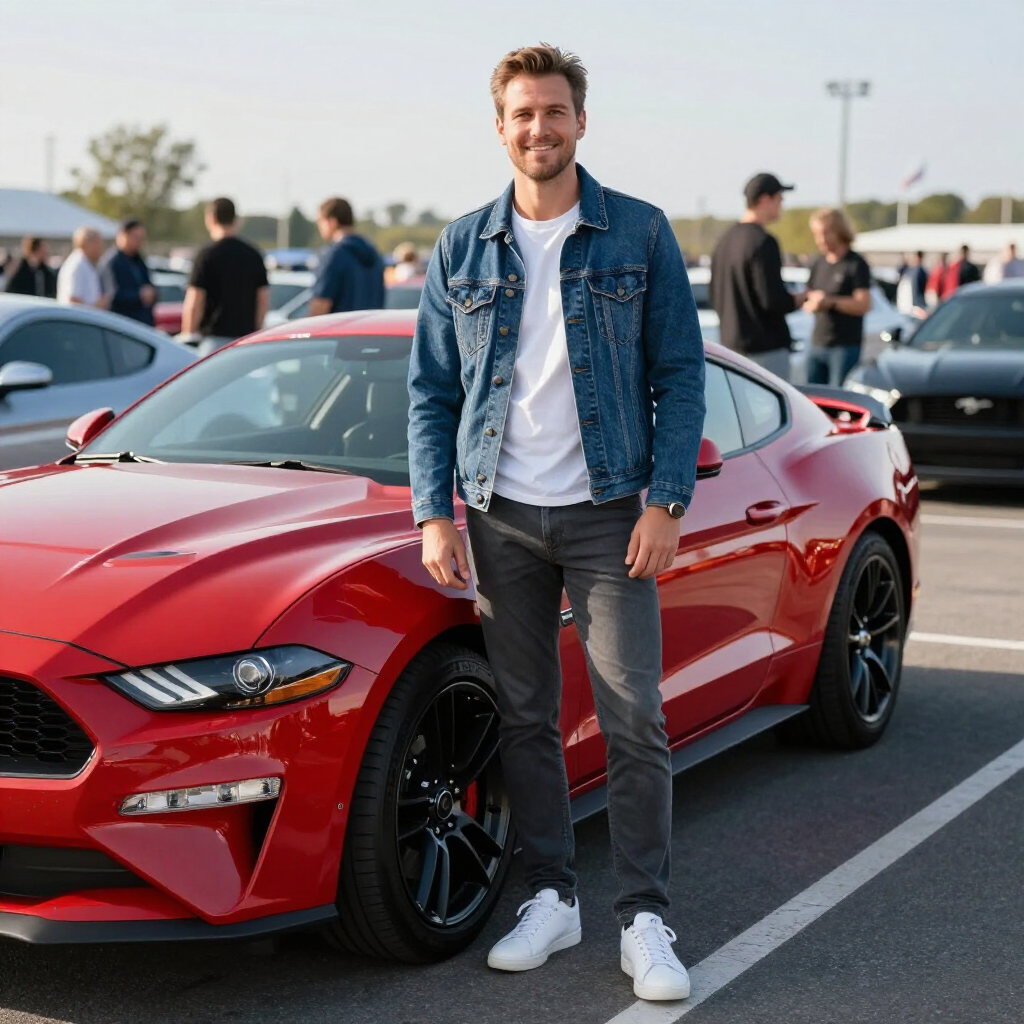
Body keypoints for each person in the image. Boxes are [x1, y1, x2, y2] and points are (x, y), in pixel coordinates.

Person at [408, 43, 705, 1002]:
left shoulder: (639, 233)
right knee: (528, 719)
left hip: (611, 513)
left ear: (582, 120)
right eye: (522, 114)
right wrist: (434, 513)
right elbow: (430, 392)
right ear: (501, 128)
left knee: (634, 719)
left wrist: (665, 501)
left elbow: (679, 377)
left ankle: (645, 917)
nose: (539, 128)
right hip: (499, 516)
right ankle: (550, 894)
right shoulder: (463, 246)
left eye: (555, 111)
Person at [709, 172, 805, 380]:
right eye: (779, 199)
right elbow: (772, 300)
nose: (782, 205)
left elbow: (715, 294)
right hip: (765, 350)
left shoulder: (724, 241)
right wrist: (798, 299)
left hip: (731, 347)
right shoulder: (763, 241)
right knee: (772, 412)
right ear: (764, 200)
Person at [181, 197, 269, 353]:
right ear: (236, 220)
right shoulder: (253, 254)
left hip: (213, 341)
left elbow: (195, 300)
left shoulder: (206, 255)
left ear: (211, 218)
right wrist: (256, 330)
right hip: (246, 340)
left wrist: (189, 336)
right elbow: (263, 299)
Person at [804, 207, 872, 386]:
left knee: (837, 401)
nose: (820, 239)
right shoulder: (817, 262)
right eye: (816, 234)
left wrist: (830, 302)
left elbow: (863, 304)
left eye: (825, 233)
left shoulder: (855, 264)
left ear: (838, 231)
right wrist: (813, 303)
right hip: (817, 342)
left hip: (844, 346)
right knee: (813, 399)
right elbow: (807, 298)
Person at [308, 197, 384, 315]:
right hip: (371, 329)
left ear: (332, 222)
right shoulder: (373, 252)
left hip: (340, 330)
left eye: (320, 221)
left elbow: (321, 304)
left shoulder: (334, 255)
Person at [101, 220, 156, 325]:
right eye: (135, 237)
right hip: (123, 327)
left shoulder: (139, 261)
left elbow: (149, 286)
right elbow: (112, 295)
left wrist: (152, 294)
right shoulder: (113, 262)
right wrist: (138, 295)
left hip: (143, 325)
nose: (139, 242)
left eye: (141, 238)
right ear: (122, 235)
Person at [56, 227, 109, 308]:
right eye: (98, 243)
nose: (101, 248)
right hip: (77, 318)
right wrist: (96, 307)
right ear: (88, 243)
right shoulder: (77, 266)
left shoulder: (85, 263)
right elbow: (73, 300)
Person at [895, 250, 928, 318]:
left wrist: (916, 304)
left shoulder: (916, 272)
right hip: (908, 305)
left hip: (913, 305)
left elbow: (916, 289)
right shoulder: (910, 271)